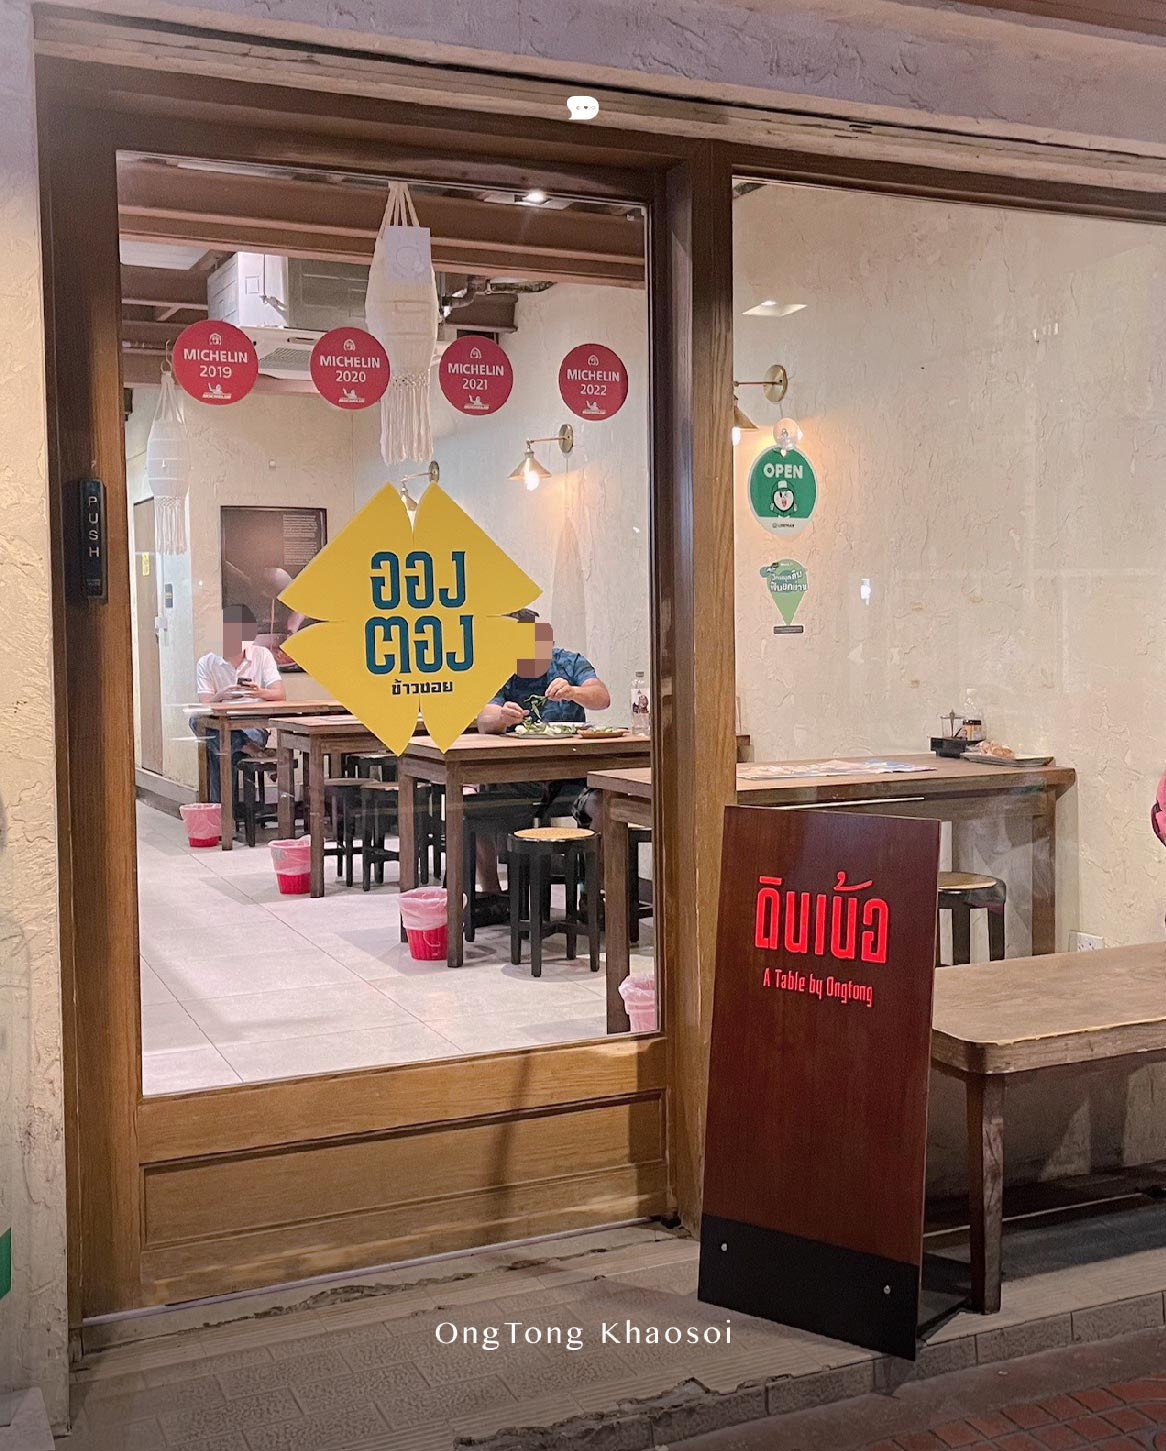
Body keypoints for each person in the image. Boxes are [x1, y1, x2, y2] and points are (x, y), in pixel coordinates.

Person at [473, 610, 611, 911]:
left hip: (571, 778)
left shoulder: (568, 662)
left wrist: (574, 692)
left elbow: (601, 697)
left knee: (603, 803)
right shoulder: (503, 669)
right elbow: (484, 719)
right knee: (474, 806)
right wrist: (502, 716)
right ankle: (494, 895)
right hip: (520, 778)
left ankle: (590, 894)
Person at [191, 604, 286, 803]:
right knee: (197, 721)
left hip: (253, 726)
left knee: (220, 750)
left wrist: (259, 692)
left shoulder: (262, 655)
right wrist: (222, 695)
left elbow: (280, 695)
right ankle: (251, 749)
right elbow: (205, 704)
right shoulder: (206, 662)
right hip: (221, 725)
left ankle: (222, 814)